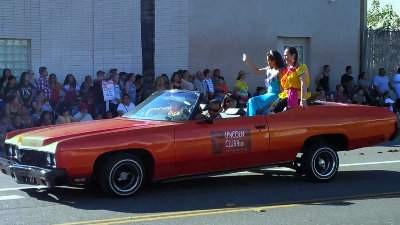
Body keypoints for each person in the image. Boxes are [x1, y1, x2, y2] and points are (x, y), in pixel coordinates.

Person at [243, 50, 285, 116]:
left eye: (269, 60)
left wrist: (279, 101)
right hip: (268, 95)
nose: (267, 62)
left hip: (275, 96)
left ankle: (252, 122)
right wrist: (247, 61)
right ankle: (249, 121)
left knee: (252, 101)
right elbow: (256, 71)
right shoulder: (268, 69)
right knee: (250, 101)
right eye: (267, 60)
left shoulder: (280, 71)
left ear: (275, 60)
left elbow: (283, 90)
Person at [275, 47, 311, 112]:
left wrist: (303, 100)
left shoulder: (301, 67)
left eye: (286, 55)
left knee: (276, 110)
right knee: (273, 108)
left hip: (297, 96)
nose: (284, 57)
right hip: (287, 95)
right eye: (284, 55)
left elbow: (303, 83)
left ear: (293, 55)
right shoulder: (288, 69)